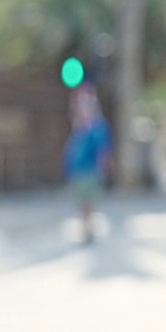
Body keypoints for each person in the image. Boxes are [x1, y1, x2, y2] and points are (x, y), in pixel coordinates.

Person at [63, 85, 112, 244]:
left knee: (89, 202)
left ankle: (88, 230)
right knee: (81, 203)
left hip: (91, 170)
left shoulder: (97, 126)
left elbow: (103, 149)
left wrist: (102, 168)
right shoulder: (79, 126)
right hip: (78, 170)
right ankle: (85, 229)